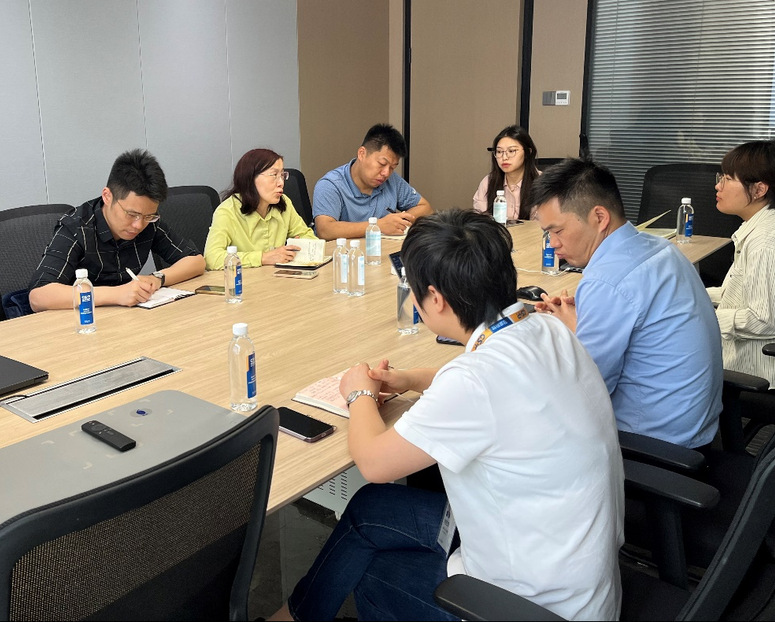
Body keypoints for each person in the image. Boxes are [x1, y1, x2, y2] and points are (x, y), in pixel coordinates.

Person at [271, 210, 623, 621]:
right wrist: (409, 379)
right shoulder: (545, 327)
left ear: (435, 298)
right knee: (371, 510)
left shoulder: (474, 382)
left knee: (373, 573)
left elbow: (373, 463)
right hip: (573, 573)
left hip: (528, 606)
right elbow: (487, 381)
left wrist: (358, 392)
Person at [533, 158, 722, 449]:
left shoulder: (606, 281)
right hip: (698, 427)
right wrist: (583, 321)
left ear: (599, 217)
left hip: (653, 445)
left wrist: (564, 335)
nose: (552, 243)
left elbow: (585, 392)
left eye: (557, 231)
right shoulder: (661, 248)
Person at [28, 149, 206, 310]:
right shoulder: (76, 228)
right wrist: (117, 294)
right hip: (80, 321)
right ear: (107, 196)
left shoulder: (148, 222)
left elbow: (196, 261)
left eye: (148, 216)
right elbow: (38, 296)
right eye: (131, 214)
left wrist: (157, 278)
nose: (138, 225)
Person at [708, 139, 775, 386]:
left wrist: (703, 317)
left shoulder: (765, 242)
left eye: (727, 179)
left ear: (759, 190)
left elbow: (763, 320)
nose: (718, 185)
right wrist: (690, 295)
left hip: (756, 373)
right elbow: (738, 294)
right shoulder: (758, 227)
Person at [312, 123, 432, 240]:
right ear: (362, 154)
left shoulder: (392, 180)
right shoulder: (331, 184)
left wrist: (399, 222)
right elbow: (325, 230)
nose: (386, 173)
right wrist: (379, 225)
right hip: (347, 252)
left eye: (392, 167)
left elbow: (425, 208)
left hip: (384, 250)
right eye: (382, 164)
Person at [203, 149, 317, 270]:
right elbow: (211, 258)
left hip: (278, 276)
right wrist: (263, 258)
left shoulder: (284, 203)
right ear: (251, 178)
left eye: (282, 176)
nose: (281, 183)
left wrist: (300, 244)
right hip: (243, 279)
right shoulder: (227, 211)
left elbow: (308, 237)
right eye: (274, 175)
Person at [472, 125, 542, 220]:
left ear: (528, 152)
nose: (504, 157)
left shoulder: (542, 184)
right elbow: (480, 221)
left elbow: (547, 224)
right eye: (499, 152)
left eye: (511, 151)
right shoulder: (488, 182)